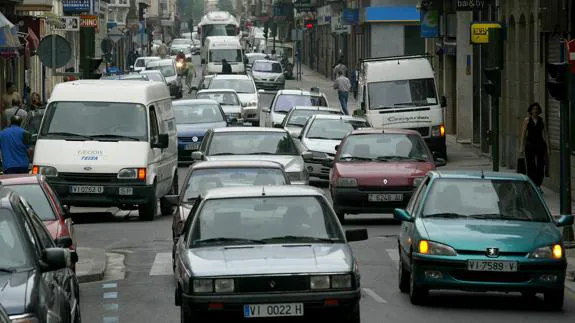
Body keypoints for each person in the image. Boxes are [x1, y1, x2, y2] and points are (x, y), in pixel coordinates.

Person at [519, 102, 550, 192]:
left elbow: (546, 134)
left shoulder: (542, 120)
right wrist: (521, 147)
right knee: (530, 165)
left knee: (540, 165)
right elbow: (523, 134)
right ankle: (531, 184)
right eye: (533, 109)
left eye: (536, 109)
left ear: (539, 110)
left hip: (540, 144)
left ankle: (538, 184)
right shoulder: (527, 120)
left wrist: (548, 148)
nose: (535, 111)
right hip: (530, 144)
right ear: (531, 110)